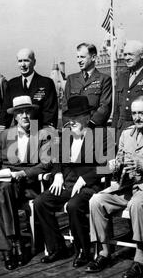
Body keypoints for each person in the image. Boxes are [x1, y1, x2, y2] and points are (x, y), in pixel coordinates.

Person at [87, 96, 143, 276]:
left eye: (142, 113)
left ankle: (140, 258)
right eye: (134, 113)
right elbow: (120, 161)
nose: (137, 117)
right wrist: (114, 167)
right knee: (96, 200)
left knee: (136, 204)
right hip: (126, 186)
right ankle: (104, 252)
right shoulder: (126, 134)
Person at [33, 95, 114, 266]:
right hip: (68, 183)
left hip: (91, 186)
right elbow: (56, 159)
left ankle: (83, 250)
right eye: (71, 117)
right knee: (40, 202)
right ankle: (57, 247)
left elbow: (108, 166)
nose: (72, 121)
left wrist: (85, 179)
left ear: (87, 116)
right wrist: (57, 174)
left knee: (74, 206)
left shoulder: (101, 134)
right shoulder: (65, 135)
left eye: (77, 117)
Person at [0, 96, 54, 270]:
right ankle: (15, 244)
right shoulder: (5, 135)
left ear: (33, 113)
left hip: (29, 185)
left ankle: (9, 247)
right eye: (20, 112)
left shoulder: (43, 134)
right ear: (15, 116)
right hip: (7, 185)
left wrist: (24, 173)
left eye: (27, 111)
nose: (24, 116)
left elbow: (46, 164)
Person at [0, 48, 58, 131]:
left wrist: (46, 132)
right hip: (19, 131)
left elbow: (50, 112)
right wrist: (1, 132)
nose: (22, 64)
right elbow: (5, 111)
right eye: (20, 61)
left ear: (34, 62)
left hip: (39, 131)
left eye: (26, 60)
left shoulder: (46, 83)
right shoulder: (12, 84)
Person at [62, 43, 112, 128]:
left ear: (93, 58)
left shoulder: (104, 79)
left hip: (95, 129)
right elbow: (65, 105)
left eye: (82, 57)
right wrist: (68, 124)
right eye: (77, 57)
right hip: (72, 129)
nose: (78, 61)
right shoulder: (71, 79)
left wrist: (90, 123)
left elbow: (105, 106)